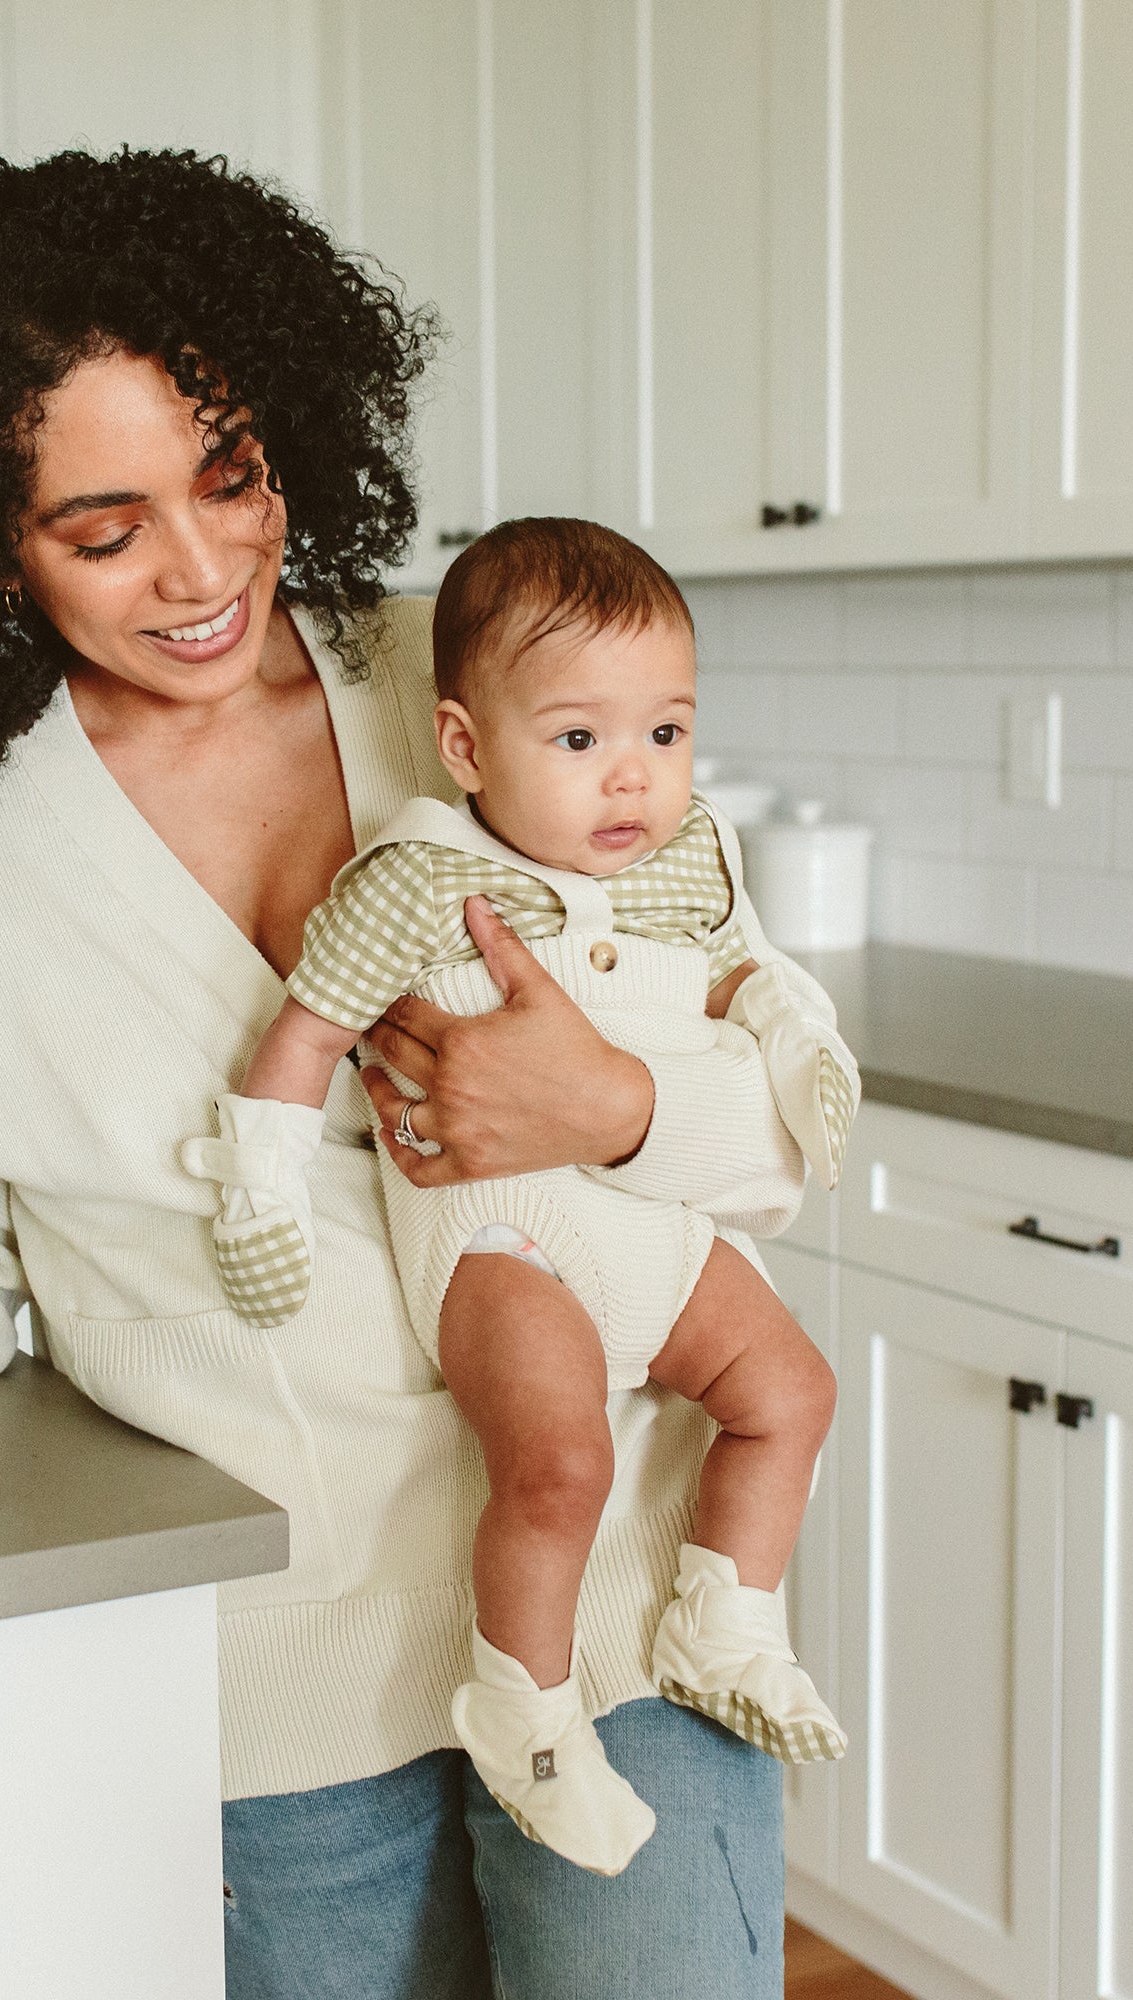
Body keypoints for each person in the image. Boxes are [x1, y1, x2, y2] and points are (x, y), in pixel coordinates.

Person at [0, 146, 832, 1998]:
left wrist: (621, 1109)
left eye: (231, 474)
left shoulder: (477, 665)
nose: (200, 570)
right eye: (101, 532)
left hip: (630, 1615)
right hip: (277, 1679)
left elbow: (789, 1085)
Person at [183, 516, 853, 1877]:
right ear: (467, 746)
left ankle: (727, 1619)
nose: (635, 780)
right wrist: (257, 1180)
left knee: (792, 1394)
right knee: (558, 1466)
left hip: (658, 1237)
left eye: (667, 734)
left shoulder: (686, 863)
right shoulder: (420, 882)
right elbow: (308, 1032)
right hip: (508, 1247)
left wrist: (795, 1038)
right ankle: (529, 1711)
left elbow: (744, 983)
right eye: (580, 741)